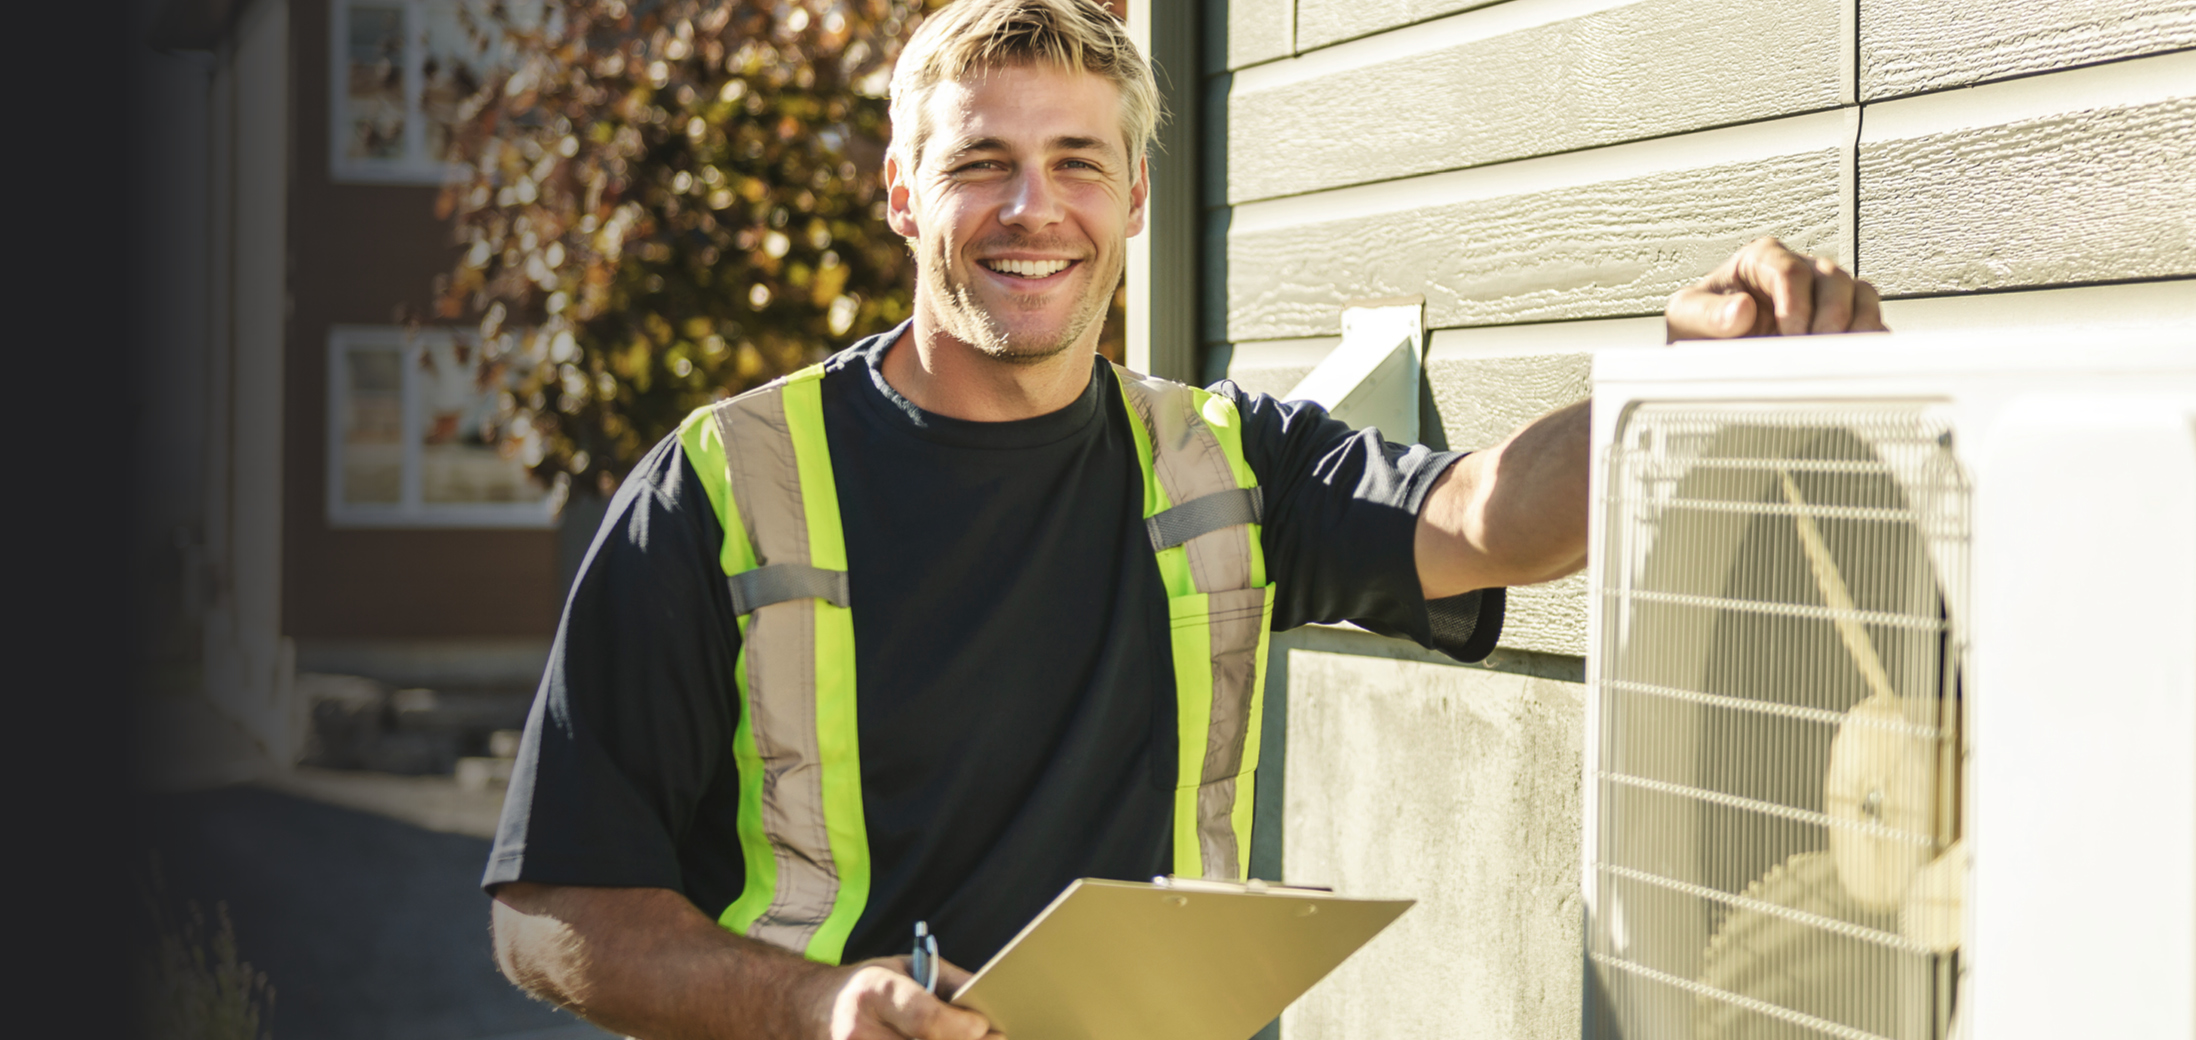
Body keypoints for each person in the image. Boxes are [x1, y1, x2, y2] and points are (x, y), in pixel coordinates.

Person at [479, 1, 1887, 1038]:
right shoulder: (720, 484)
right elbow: (548, 918)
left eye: (1080, 162)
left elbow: (1489, 519)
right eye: (982, 163)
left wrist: (1677, 388)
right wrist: (813, 1003)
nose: (1036, 210)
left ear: (1136, 197)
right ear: (903, 195)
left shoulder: (1220, 461)